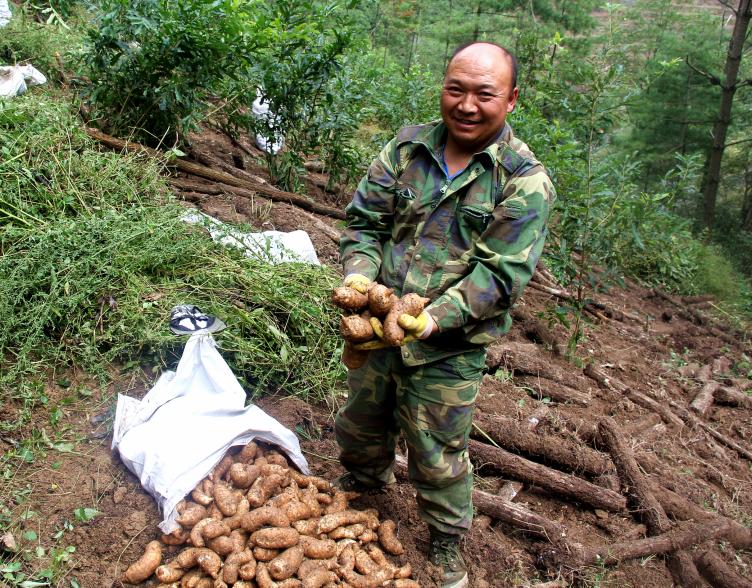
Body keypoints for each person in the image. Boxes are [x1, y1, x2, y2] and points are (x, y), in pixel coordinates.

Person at [334, 41, 555, 588]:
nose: (467, 104)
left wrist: (434, 319)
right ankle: (364, 488)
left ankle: (446, 542)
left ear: (511, 99)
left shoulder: (523, 181)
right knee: (360, 426)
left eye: (485, 93)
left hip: (450, 346)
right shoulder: (406, 149)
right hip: (379, 328)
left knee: (437, 454)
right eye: (456, 89)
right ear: (443, 87)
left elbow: (501, 276)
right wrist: (360, 276)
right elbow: (364, 223)